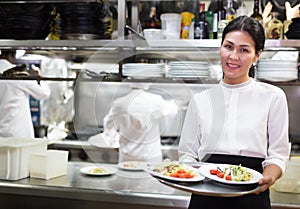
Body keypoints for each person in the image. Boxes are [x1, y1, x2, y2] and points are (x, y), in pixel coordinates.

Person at [178, 16, 290, 209]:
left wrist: (268, 178)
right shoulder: (200, 100)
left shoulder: (273, 96)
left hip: (252, 192)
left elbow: (278, 155)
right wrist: (188, 173)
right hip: (205, 193)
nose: (233, 56)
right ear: (220, 47)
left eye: (244, 50)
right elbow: (187, 154)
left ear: (257, 55)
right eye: (228, 47)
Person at [103, 82, 177, 163]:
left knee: (126, 175)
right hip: (151, 158)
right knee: (151, 175)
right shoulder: (156, 100)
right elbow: (173, 109)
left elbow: (108, 125)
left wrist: (113, 141)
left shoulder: (119, 103)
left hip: (127, 157)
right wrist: (161, 113)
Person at [0, 50, 51, 138]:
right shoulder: (18, 74)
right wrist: (39, 77)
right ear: (12, 54)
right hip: (17, 134)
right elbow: (44, 93)